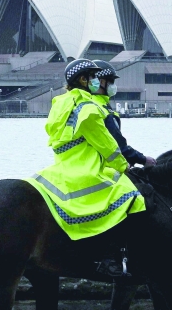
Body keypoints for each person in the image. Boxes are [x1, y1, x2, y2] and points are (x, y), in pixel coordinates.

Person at [24, 59, 145, 242]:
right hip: (88, 170)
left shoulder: (61, 104)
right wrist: (123, 166)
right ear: (82, 80)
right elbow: (107, 145)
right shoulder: (88, 108)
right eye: (93, 77)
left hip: (61, 170)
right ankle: (116, 251)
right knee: (132, 196)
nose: (96, 80)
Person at [91, 60, 156, 167]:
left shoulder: (83, 104)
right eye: (111, 81)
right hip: (101, 171)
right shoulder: (103, 111)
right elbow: (118, 146)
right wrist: (143, 159)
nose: (113, 85)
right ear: (102, 82)